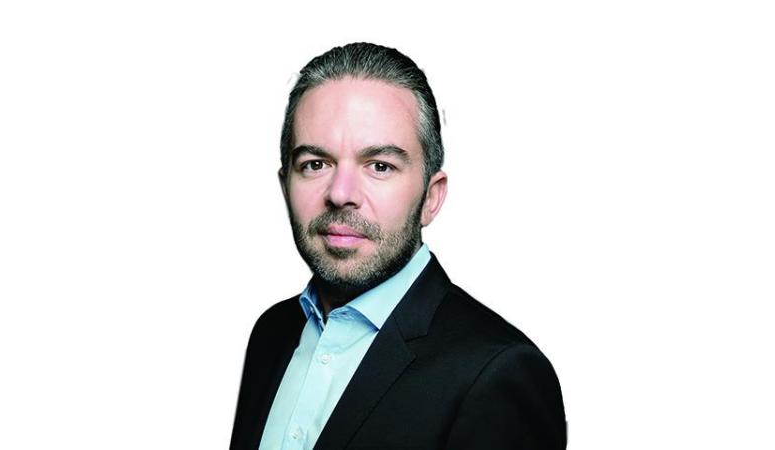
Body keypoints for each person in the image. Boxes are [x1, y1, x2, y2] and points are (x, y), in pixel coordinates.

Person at [230, 42, 566, 450]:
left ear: (431, 197)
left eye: (380, 166)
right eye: (315, 164)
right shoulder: (271, 332)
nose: (340, 193)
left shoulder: (497, 373)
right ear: (286, 185)